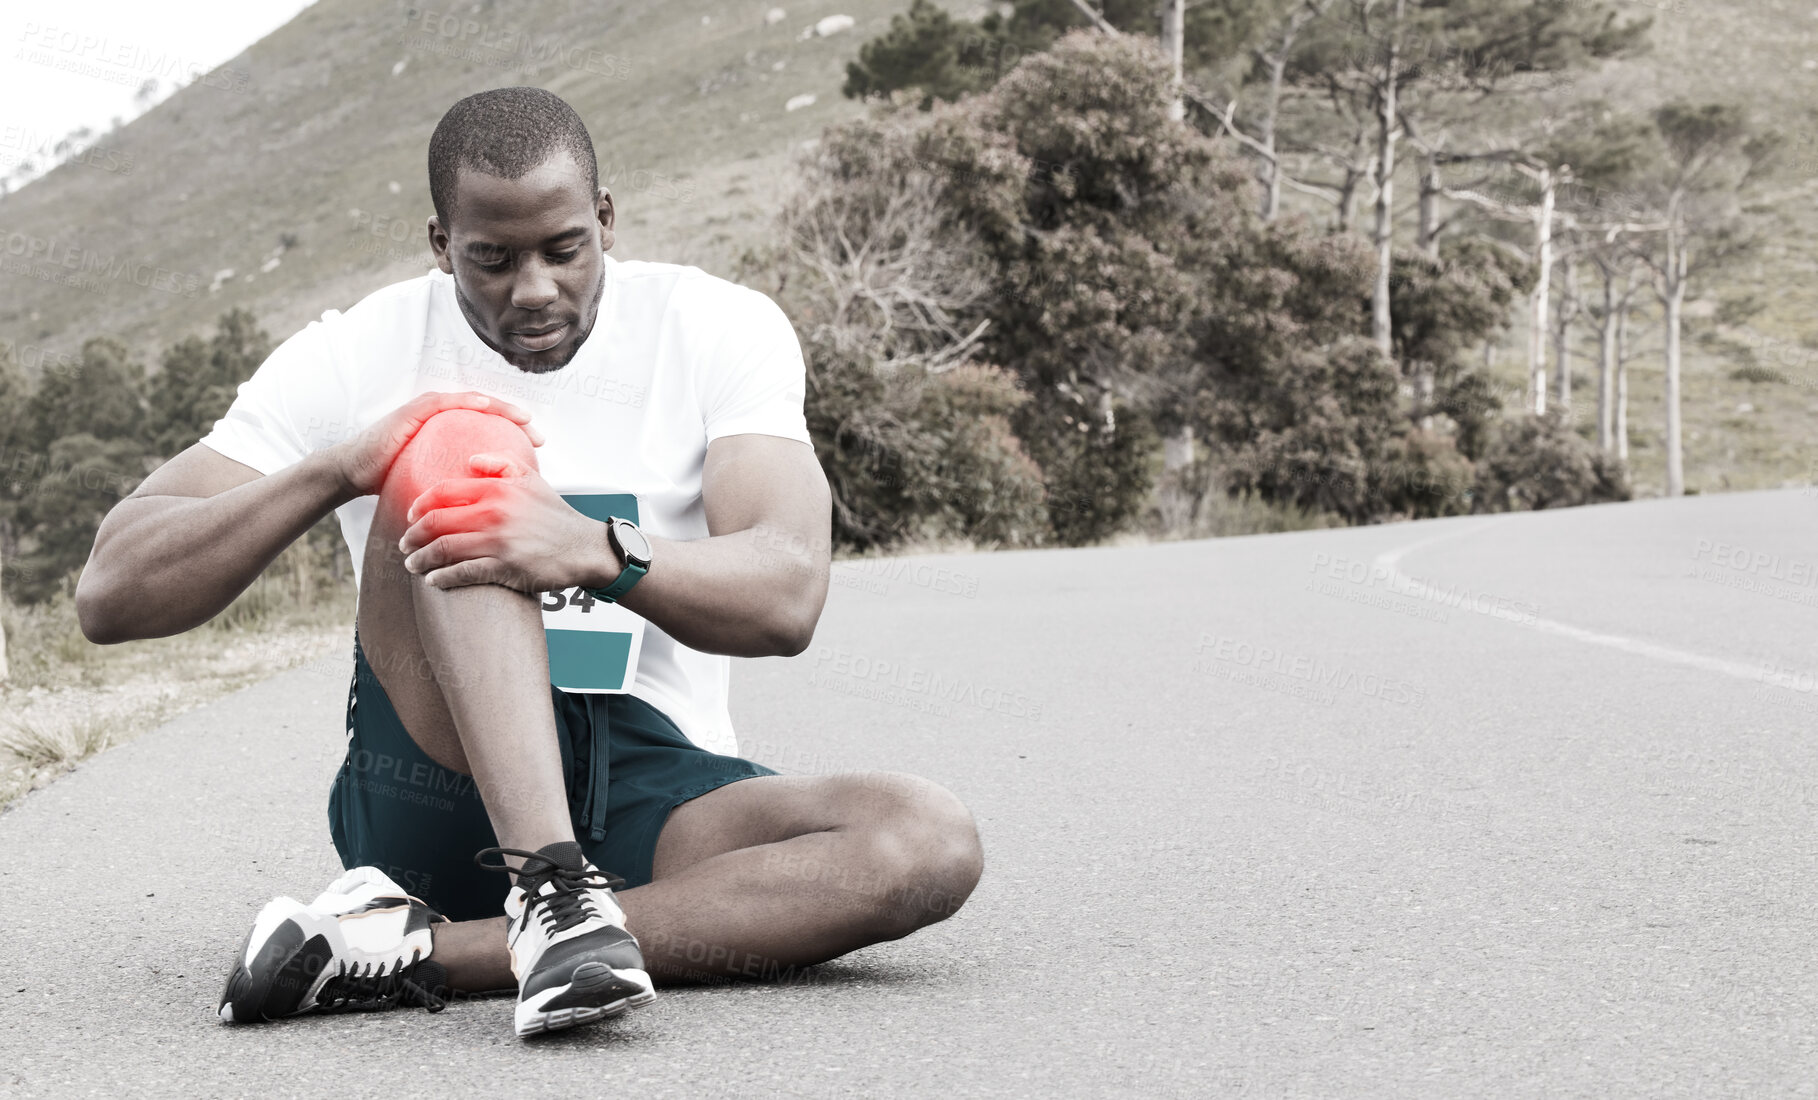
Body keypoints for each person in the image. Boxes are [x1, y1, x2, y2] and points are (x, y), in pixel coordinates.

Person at [75, 87, 984, 1039]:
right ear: (440, 242)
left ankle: (407, 953)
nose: (536, 288)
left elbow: (786, 593)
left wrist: (589, 550)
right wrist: (343, 467)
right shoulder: (353, 353)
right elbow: (111, 591)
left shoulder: (715, 327)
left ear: (605, 219)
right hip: (434, 772)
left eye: (563, 250)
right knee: (457, 435)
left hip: (647, 776)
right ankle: (550, 888)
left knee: (923, 839)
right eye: (492, 260)